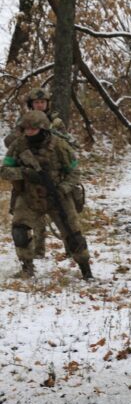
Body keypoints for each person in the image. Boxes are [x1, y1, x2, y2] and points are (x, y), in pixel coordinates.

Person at [0, 110, 92, 280]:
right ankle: (27, 268)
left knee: (73, 233)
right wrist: (24, 173)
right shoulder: (18, 145)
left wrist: (63, 188)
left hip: (58, 195)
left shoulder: (59, 146)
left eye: (32, 129)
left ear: (42, 129)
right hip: (29, 195)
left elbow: (74, 172)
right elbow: (4, 170)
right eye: (26, 129)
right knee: (19, 230)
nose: (29, 132)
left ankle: (86, 270)